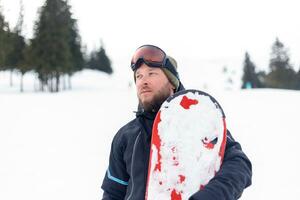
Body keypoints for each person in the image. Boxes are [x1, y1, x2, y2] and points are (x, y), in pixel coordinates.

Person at [101, 44, 252, 200]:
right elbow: (113, 192)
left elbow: (239, 164)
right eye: (139, 76)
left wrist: (210, 196)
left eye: (151, 73)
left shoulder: (199, 121)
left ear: (172, 83)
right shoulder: (126, 136)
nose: (143, 81)